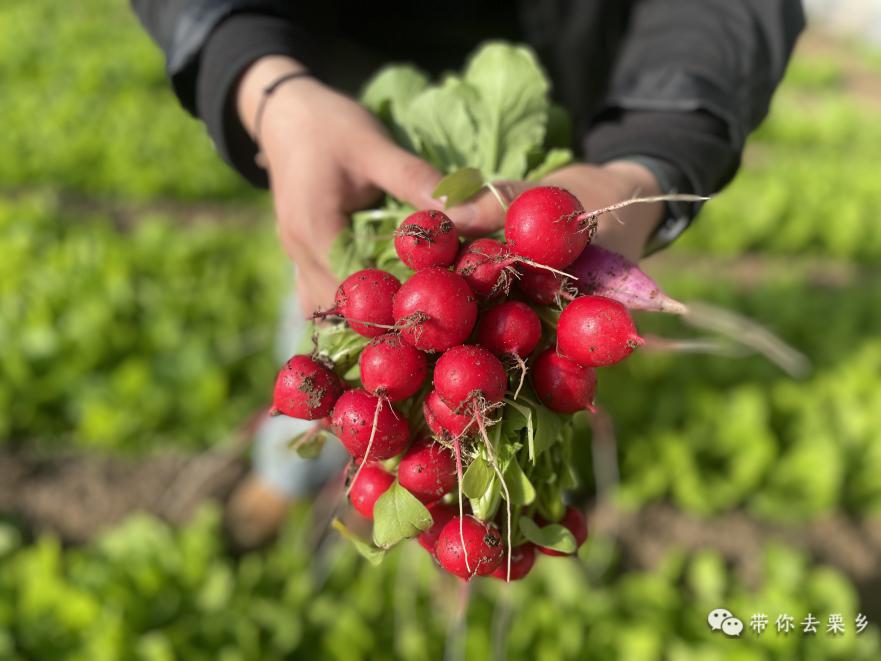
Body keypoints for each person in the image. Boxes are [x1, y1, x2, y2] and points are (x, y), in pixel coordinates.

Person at [131, 0, 805, 548]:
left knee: (507, 379)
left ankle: (471, 510)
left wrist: (648, 157)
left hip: (576, 85)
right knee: (332, 313)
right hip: (341, 100)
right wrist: (263, 78)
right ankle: (284, 474)